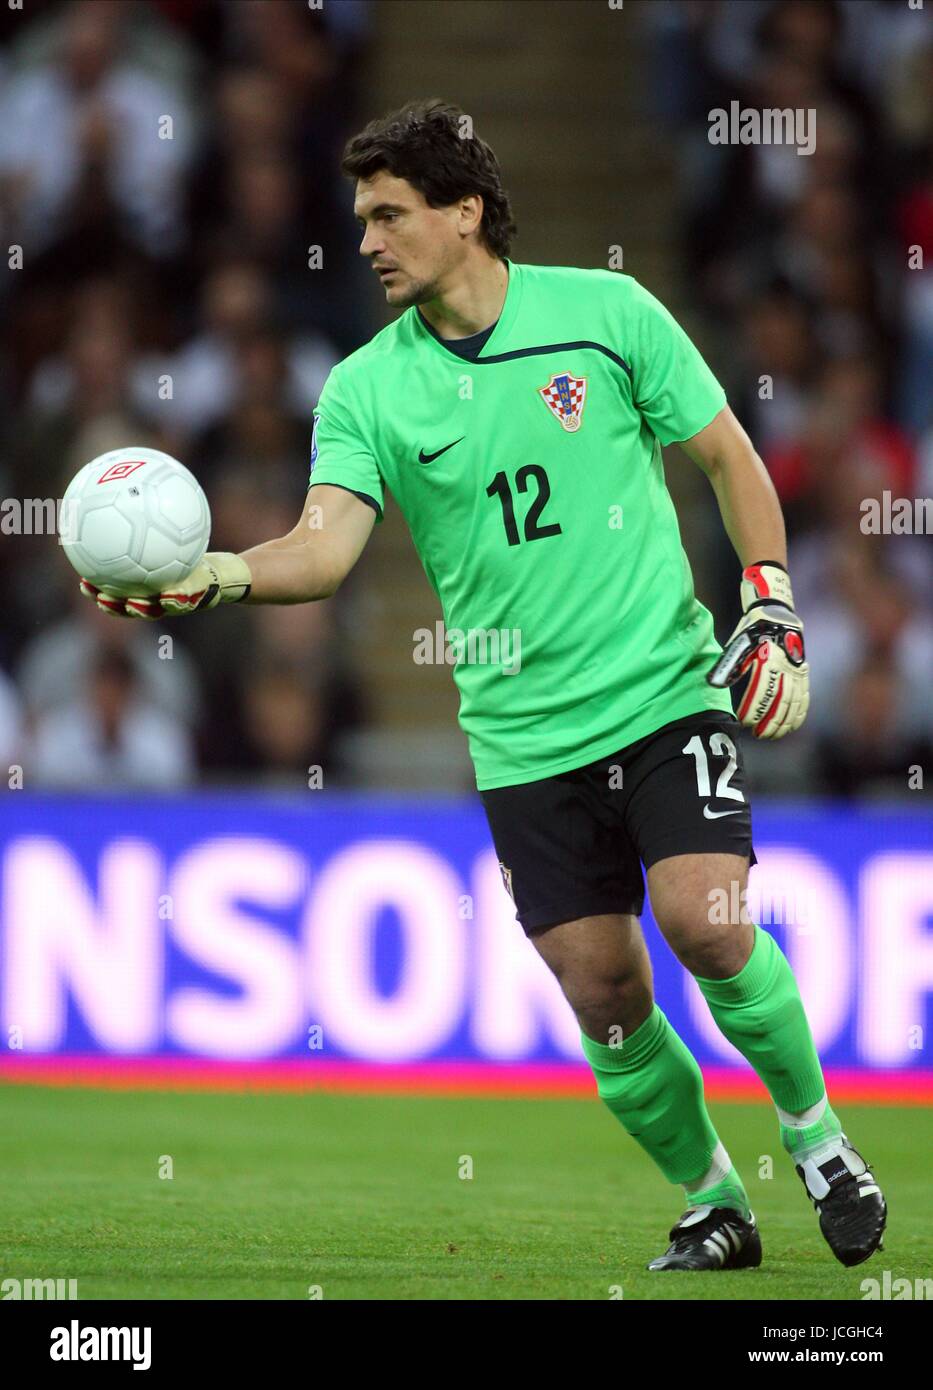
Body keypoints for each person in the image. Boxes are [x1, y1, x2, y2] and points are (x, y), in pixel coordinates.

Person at [79, 99, 884, 1273]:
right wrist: (215, 578)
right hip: (521, 737)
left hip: (662, 689)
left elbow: (729, 456)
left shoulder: (608, 314)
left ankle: (818, 1143)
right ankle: (714, 1197)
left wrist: (770, 598)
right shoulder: (367, 389)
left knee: (705, 921)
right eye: (359, 218)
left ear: (465, 213)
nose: (366, 240)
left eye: (390, 214)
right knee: (605, 991)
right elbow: (323, 547)